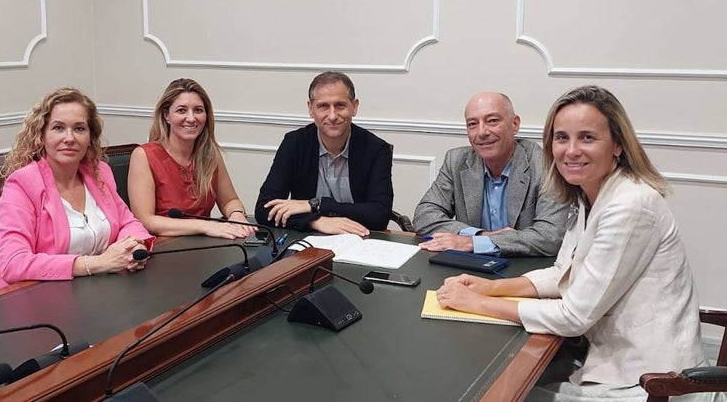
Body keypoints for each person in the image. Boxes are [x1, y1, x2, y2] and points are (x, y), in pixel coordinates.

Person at [435, 86, 710, 401]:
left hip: (652, 380)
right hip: (607, 354)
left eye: (587, 138)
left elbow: (573, 317)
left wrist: (477, 304)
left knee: (496, 393)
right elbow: (561, 271)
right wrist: (489, 287)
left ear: (618, 144)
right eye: (562, 138)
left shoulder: (630, 205)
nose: (571, 150)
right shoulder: (588, 195)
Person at [0, 88, 154, 295]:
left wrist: (131, 249)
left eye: (79, 129)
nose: (69, 138)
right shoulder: (22, 184)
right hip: (23, 300)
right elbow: (14, 263)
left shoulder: (99, 174)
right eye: (58, 128)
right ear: (41, 135)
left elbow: (129, 223)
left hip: (92, 293)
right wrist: (96, 264)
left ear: (91, 137)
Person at [414, 92, 567, 256]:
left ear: (515, 124)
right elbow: (424, 215)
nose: (481, 132)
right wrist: (479, 236)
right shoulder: (456, 161)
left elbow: (551, 236)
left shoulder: (545, 164)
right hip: (470, 267)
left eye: (492, 121)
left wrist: (473, 243)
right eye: (472, 124)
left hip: (523, 272)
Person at [254, 71, 393, 234]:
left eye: (340, 105)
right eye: (323, 106)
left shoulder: (376, 149)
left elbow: (380, 214)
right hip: (307, 243)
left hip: (360, 240)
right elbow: (264, 209)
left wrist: (316, 205)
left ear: (354, 107)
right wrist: (315, 221)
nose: (332, 116)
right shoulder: (294, 143)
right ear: (311, 109)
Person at [128, 79, 255, 239]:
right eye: (182, 110)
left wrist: (236, 215)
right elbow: (145, 221)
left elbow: (230, 200)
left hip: (203, 245)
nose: (191, 118)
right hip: (165, 248)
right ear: (166, 115)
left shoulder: (210, 154)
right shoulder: (144, 155)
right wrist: (205, 226)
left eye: (198, 110)